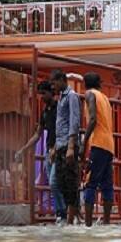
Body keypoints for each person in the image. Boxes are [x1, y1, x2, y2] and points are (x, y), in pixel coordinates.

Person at [15, 81, 67, 224]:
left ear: (51, 92)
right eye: (40, 94)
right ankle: (62, 214)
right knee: (54, 184)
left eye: (44, 93)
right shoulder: (45, 112)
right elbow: (37, 134)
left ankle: (63, 214)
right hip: (48, 151)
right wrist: (23, 149)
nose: (42, 96)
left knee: (54, 182)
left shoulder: (59, 109)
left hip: (59, 150)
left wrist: (56, 148)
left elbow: (63, 131)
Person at [80, 72, 115, 226]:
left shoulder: (89, 94)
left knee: (90, 182)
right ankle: (106, 221)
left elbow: (93, 119)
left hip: (98, 143)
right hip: (109, 145)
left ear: (85, 84)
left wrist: (84, 142)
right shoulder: (105, 98)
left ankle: (88, 224)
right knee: (107, 184)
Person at [50, 69, 81, 226]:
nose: (53, 85)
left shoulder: (72, 96)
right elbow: (60, 125)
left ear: (62, 79)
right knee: (59, 182)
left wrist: (70, 146)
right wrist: (56, 146)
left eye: (54, 82)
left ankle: (70, 220)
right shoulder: (61, 98)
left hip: (69, 145)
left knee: (69, 182)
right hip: (61, 144)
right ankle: (74, 215)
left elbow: (74, 122)